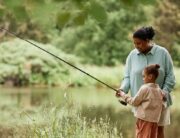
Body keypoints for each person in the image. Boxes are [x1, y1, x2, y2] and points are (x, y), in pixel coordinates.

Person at [117, 26, 176, 137]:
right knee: (142, 131)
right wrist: (122, 89)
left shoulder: (163, 53)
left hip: (160, 103)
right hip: (140, 103)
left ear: (148, 41)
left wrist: (164, 92)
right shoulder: (132, 55)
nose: (136, 46)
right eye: (134, 43)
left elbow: (171, 77)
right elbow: (127, 76)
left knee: (158, 131)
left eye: (139, 43)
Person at [116, 64, 165, 138]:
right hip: (154, 122)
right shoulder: (159, 91)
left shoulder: (145, 88)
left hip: (144, 120)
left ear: (150, 76)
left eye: (144, 76)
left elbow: (134, 102)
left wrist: (123, 95)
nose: (143, 78)